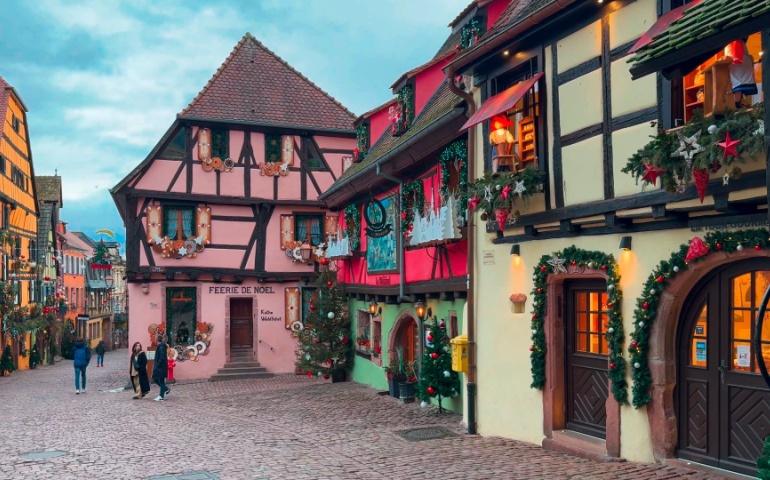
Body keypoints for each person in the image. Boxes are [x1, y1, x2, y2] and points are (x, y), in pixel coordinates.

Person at [152, 335, 170, 401]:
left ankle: (161, 396)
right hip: (161, 367)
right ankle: (165, 389)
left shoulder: (161, 346)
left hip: (161, 367)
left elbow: (162, 358)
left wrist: (157, 365)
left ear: (157, 340)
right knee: (155, 379)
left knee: (161, 381)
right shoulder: (161, 346)